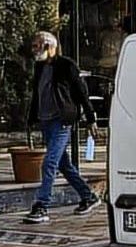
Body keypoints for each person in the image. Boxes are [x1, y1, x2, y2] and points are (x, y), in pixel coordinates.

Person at [24, 31, 99, 224]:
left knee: (49, 163)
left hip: (62, 121)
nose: (34, 50)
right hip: (46, 121)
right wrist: (32, 118)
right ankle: (88, 196)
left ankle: (42, 205)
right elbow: (37, 93)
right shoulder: (40, 67)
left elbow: (82, 93)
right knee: (63, 164)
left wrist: (90, 119)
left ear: (50, 47)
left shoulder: (66, 65)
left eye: (37, 46)